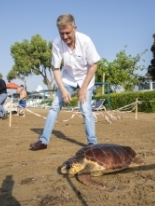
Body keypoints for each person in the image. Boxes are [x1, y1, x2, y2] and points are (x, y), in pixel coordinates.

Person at [30, 13, 101, 150]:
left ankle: (92, 143)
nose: (65, 37)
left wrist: (84, 88)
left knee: (85, 109)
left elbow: (94, 65)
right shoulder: (57, 43)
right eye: (61, 33)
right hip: (67, 78)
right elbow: (56, 69)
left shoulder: (86, 41)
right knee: (54, 106)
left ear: (75, 28)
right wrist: (62, 89)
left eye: (67, 33)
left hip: (86, 78)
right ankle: (43, 140)